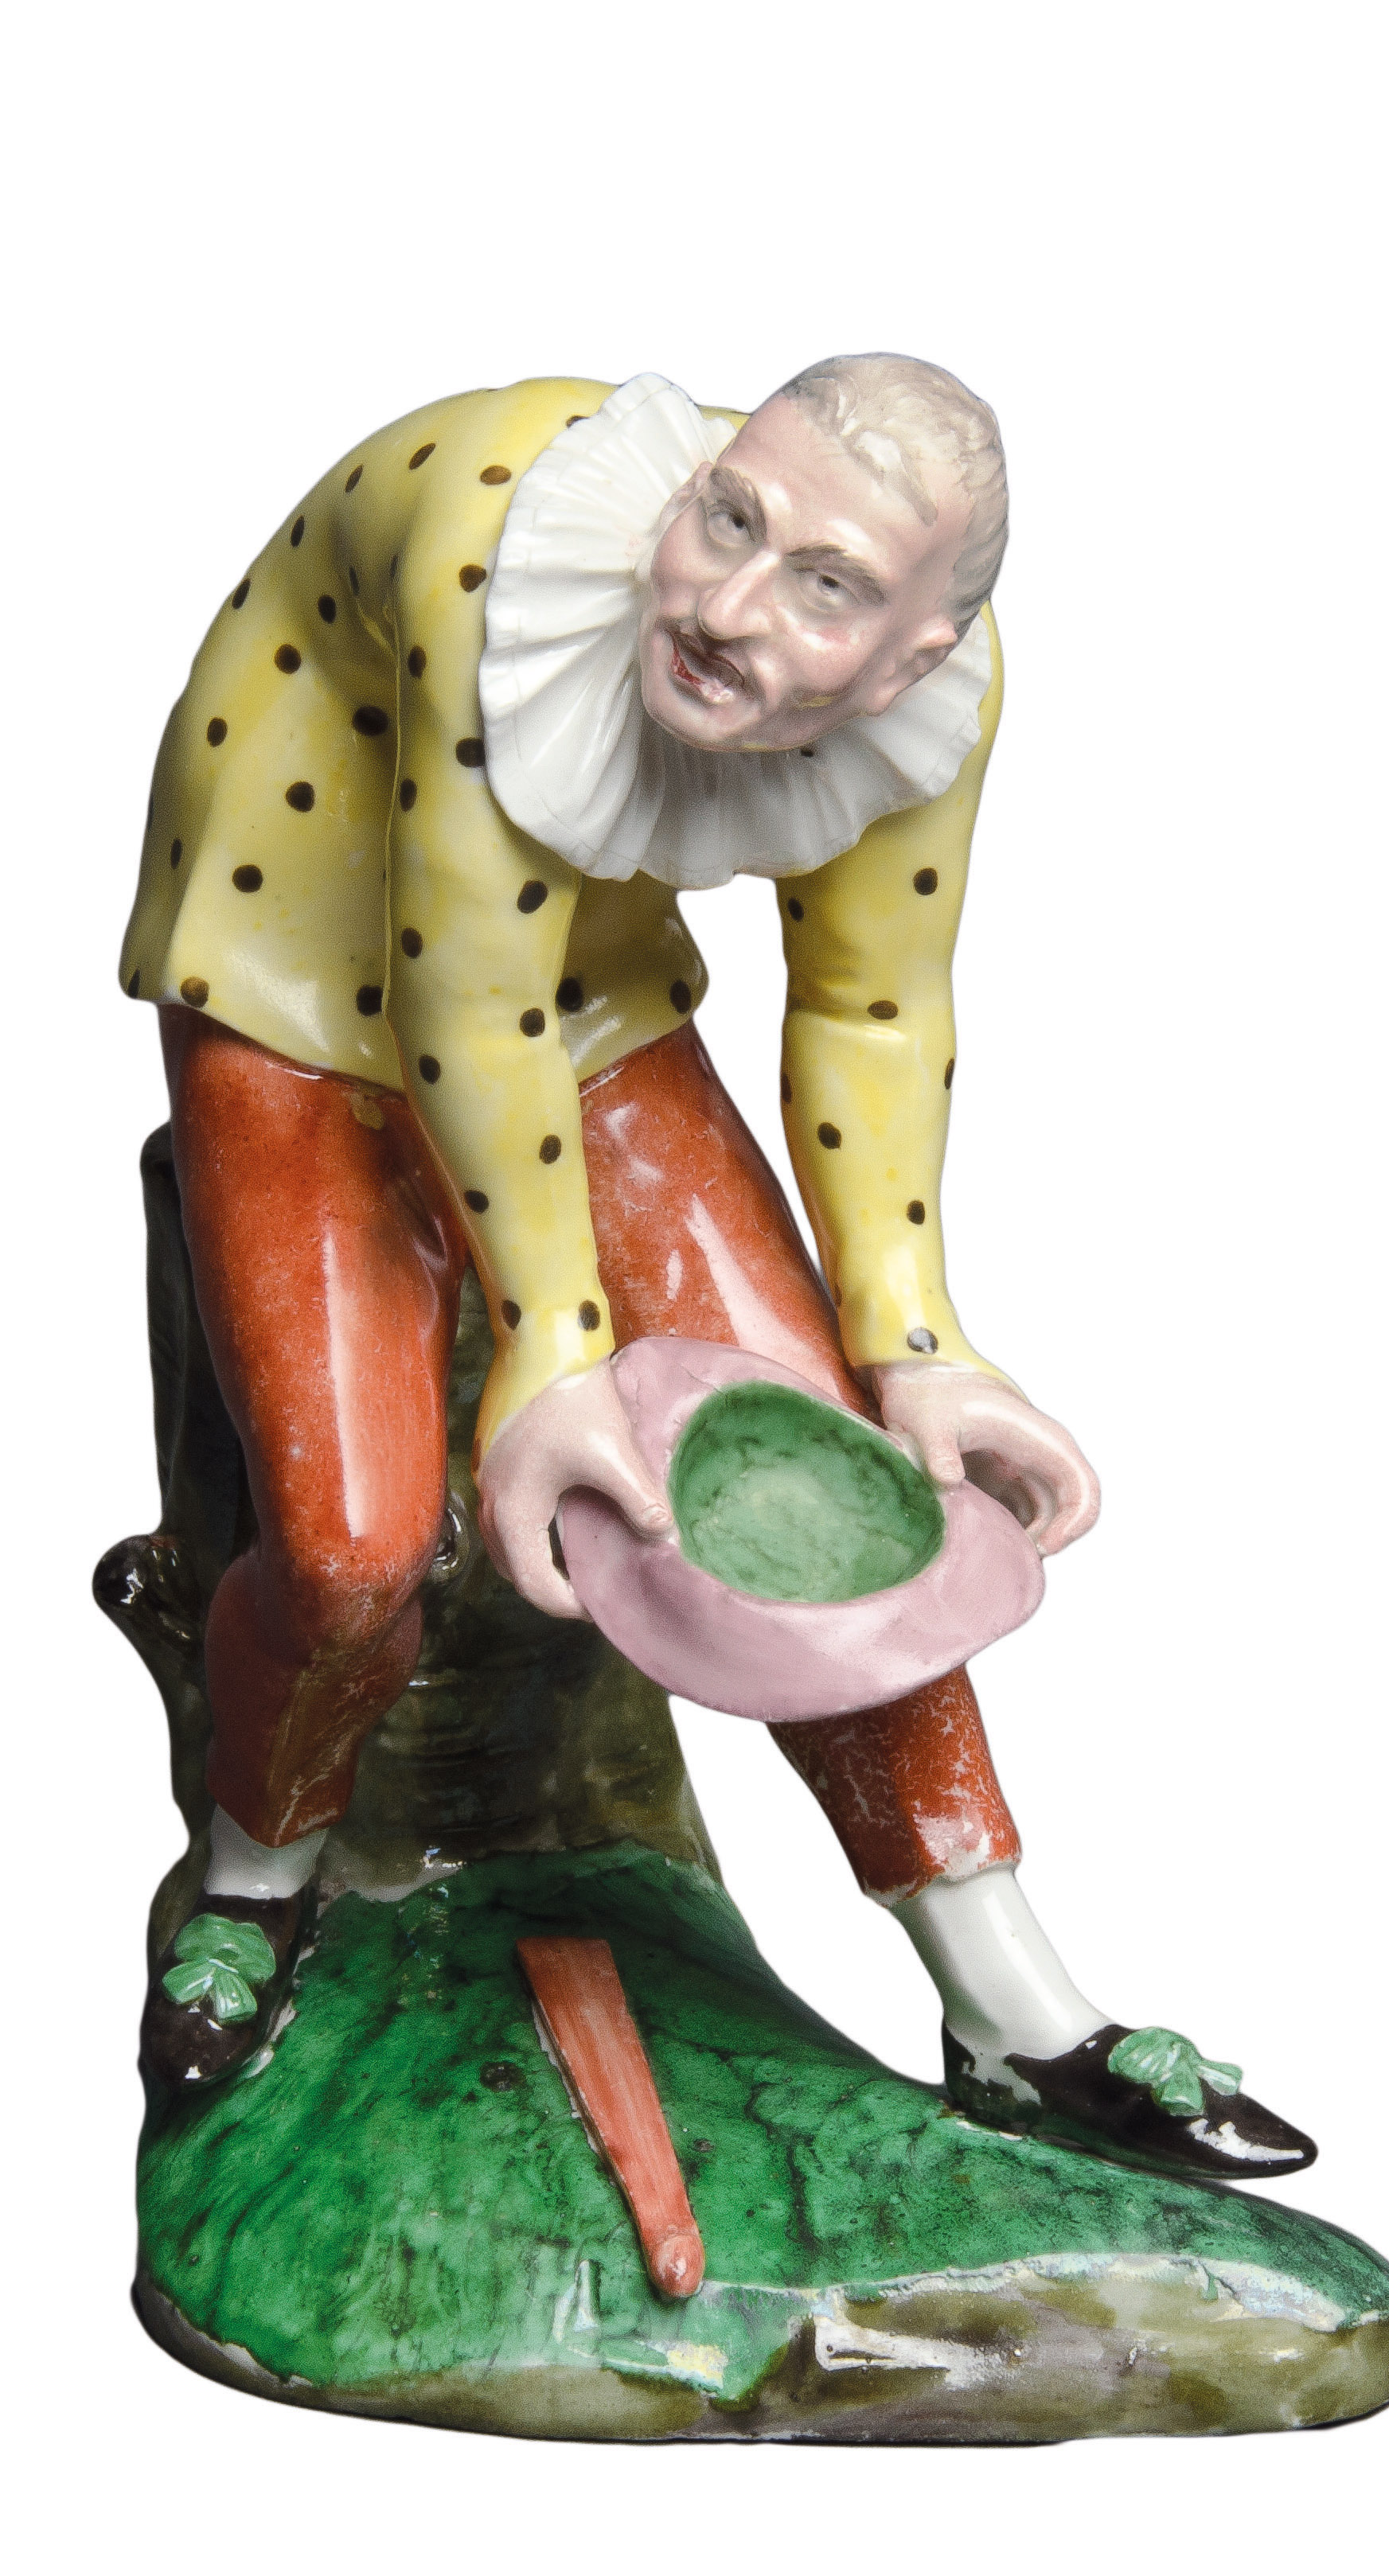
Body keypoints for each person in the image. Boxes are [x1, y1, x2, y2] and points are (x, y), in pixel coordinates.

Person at [123, 357, 1313, 2176]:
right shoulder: (500, 565)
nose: (729, 604)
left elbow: (873, 1002)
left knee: (830, 1486)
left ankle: (1012, 2003)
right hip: (293, 964)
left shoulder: (943, 706)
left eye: (823, 586)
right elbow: (465, 1000)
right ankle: (256, 1874)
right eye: (728, 520)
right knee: (355, 1553)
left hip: (581, 990)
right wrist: (552, 1350)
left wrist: (916, 1337)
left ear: (912, 655)